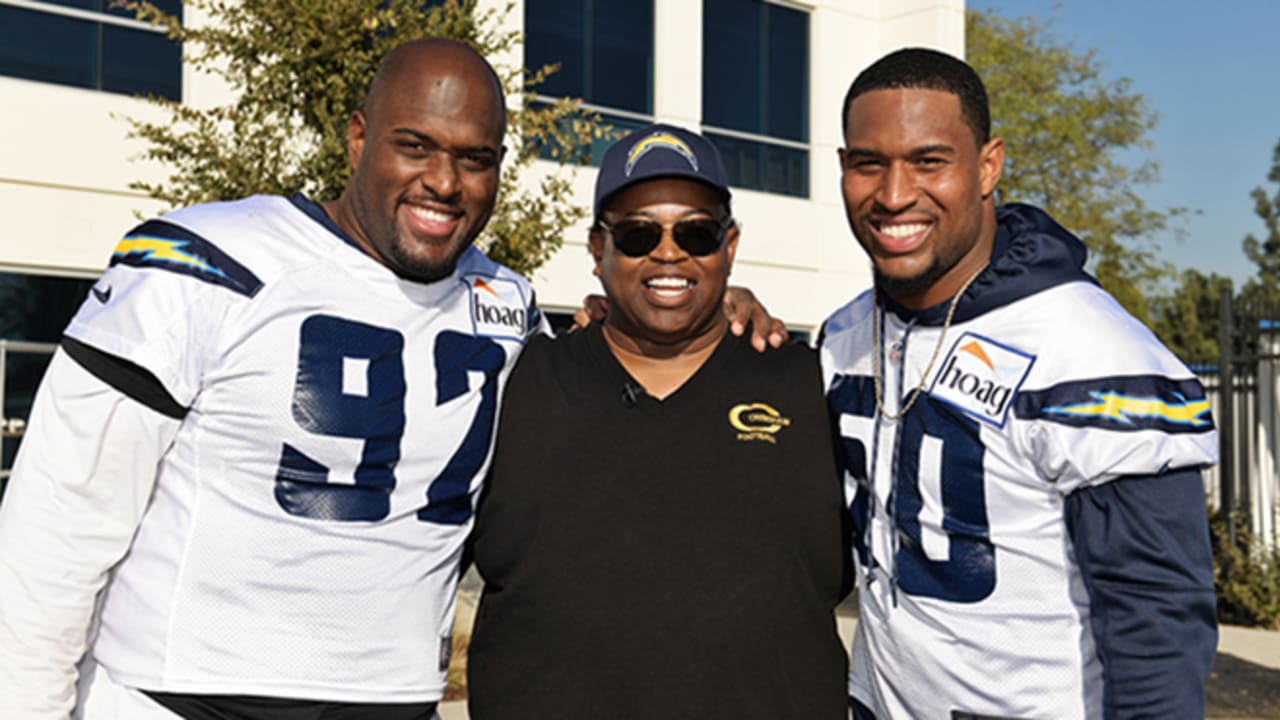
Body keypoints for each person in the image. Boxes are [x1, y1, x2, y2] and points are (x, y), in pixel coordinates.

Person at [0, 39, 779, 718]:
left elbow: (612, 372)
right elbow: (55, 529)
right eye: (416, 146)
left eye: (474, 159)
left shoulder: (505, 303)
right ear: (358, 138)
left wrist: (715, 309)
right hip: (184, 696)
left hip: (396, 703)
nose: (445, 181)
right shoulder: (207, 258)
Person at [820, 47, 1219, 719]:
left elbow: (1157, 620)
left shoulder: (1090, 350)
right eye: (869, 164)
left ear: (988, 166)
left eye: (929, 161)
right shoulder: (845, 333)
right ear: (842, 169)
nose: (893, 195)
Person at [465, 123, 852, 719]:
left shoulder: (812, 387)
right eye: (639, 234)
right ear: (598, 251)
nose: (668, 253)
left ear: (730, 247)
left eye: (696, 233)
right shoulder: (516, 380)